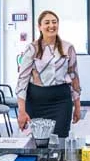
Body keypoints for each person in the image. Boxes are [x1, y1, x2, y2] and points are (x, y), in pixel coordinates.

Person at [16, 10, 82, 138]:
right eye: (47, 22)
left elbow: (74, 77)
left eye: (54, 22)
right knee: (37, 141)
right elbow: (22, 81)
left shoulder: (68, 47)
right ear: (39, 27)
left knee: (60, 140)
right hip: (35, 103)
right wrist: (21, 111)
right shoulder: (32, 48)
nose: (51, 25)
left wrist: (77, 106)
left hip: (61, 102)